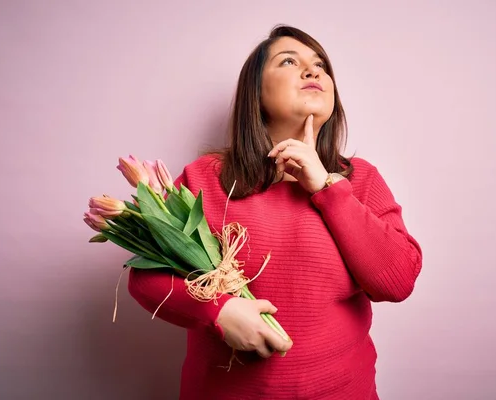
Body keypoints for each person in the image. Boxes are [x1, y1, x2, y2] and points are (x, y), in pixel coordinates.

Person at [128, 24, 423, 400]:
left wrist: (326, 188)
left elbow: (397, 281)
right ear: (256, 93)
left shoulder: (360, 179)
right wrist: (218, 312)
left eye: (320, 65)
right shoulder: (206, 178)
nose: (314, 71)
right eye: (289, 61)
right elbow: (144, 277)